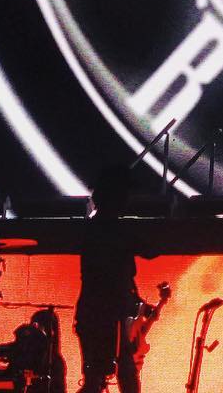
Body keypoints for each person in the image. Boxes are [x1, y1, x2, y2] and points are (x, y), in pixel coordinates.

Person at [75, 166, 142, 393]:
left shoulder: (94, 228)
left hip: (94, 312)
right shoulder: (114, 230)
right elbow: (149, 250)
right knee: (122, 372)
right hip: (106, 313)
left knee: (95, 376)